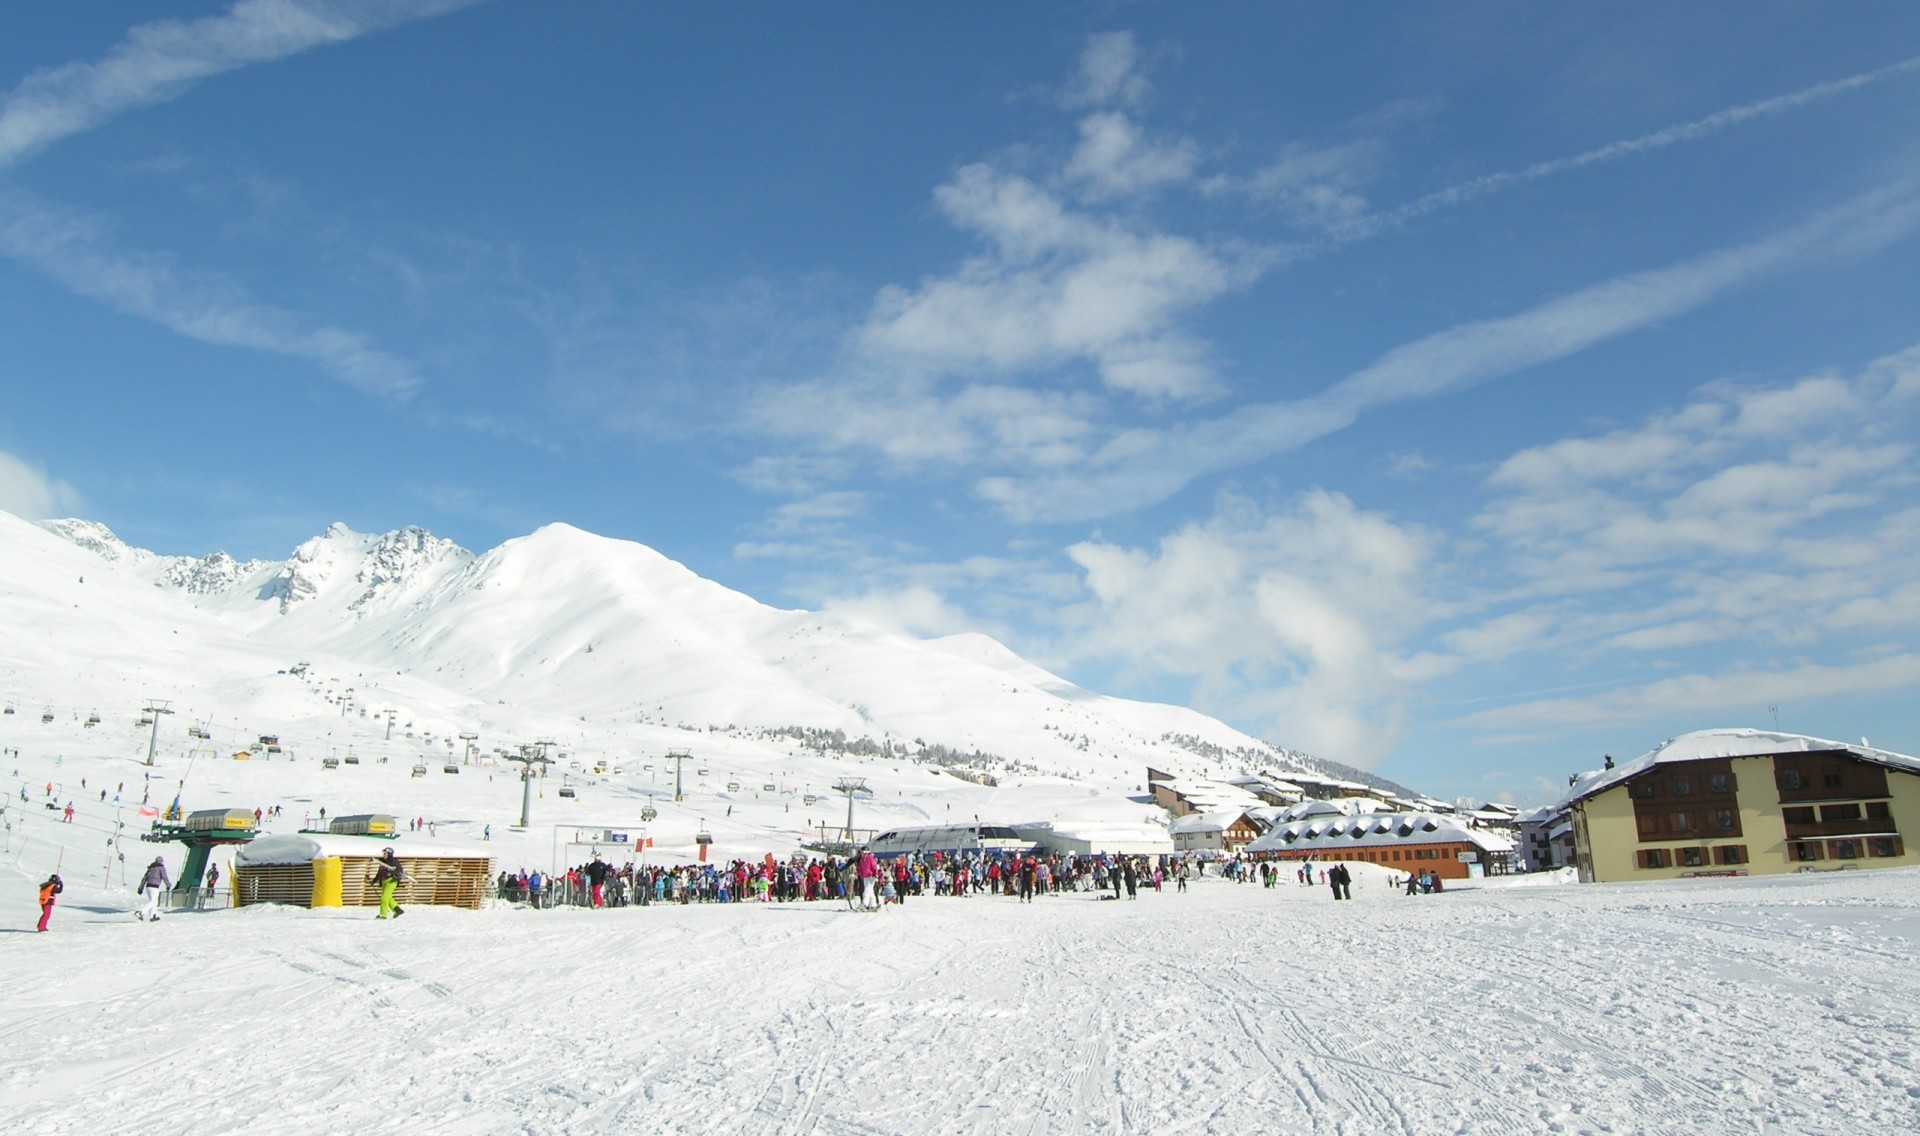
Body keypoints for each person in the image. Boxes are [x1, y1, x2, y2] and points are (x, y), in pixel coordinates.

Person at [369, 848, 407, 919]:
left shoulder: (394, 861)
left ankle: (383, 915)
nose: (384, 855)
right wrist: (373, 881)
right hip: (384, 882)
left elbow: (399, 870)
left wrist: (393, 873)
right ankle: (398, 910)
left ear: (389, 854)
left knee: (384, 898)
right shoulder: (382, 862)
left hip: (391, 881)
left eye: (385, 854)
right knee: (388, 898)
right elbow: (379, 873)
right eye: (383, 854)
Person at [137, 856, 170, 921]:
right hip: (154, 887)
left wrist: (140, 888)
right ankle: (140, 912)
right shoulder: (161, 868)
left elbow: (144, 878)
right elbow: (165, 877)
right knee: (153, 901)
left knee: (154, 901)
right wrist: (168, 885)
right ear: (161, 861)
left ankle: (153, 916)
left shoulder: (150, 868)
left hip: (148, 887)